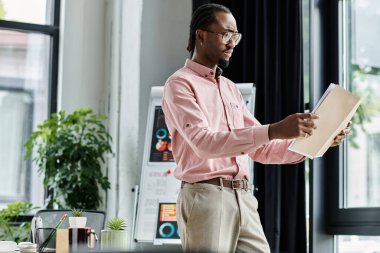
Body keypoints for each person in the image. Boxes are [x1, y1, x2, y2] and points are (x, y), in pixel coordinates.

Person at [162, 3, 349, 253]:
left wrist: (321, 140)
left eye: (235, 37)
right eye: (226, 34)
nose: (232, 43)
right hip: (206, 196)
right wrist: (273, 130)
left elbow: (261, 149)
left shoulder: (230, 88)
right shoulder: (179, 84)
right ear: (201, 35)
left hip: (244, 198)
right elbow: (204, 143)